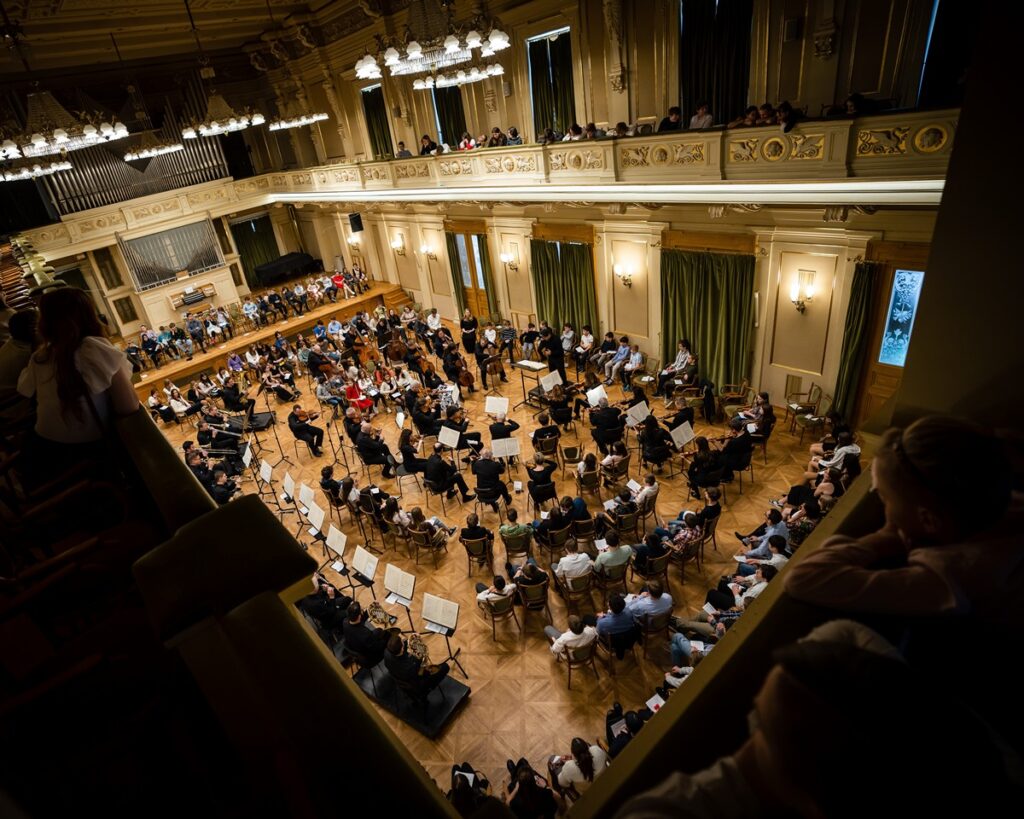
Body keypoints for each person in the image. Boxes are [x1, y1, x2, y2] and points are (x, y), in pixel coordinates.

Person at [17, 289, 138, 473]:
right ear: (88, 315)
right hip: (82, 460)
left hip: (39, 450)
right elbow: (129, 406)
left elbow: (25, 389)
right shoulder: (93, 349)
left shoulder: (40, 356)